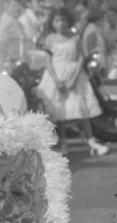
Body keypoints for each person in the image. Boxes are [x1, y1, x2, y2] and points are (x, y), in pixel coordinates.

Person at [37, 8, 109, 156]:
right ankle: (63, 141)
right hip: (56, 75)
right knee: (60, 110)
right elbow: (48, 61)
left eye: (63, 20)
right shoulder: (50, 38)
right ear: (52, 23)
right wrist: (56, 80)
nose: (61, 23)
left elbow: (81, 58)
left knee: (81, 107)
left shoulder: (75, 37)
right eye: (57, 20)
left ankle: (91, 140)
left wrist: (74, 78)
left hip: (74, 75)